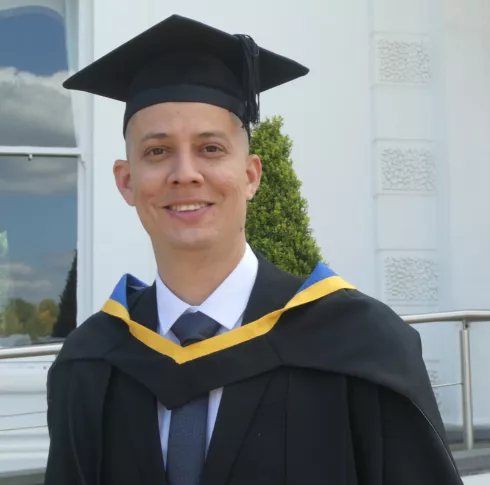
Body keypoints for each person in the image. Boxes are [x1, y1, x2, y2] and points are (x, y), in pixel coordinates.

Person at [44, 14, 463, 485]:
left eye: (211, 148)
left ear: (251, 175)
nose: (185, 173)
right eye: (157, 151)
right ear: (126, 181)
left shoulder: (362, 348)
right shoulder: (88, 364)